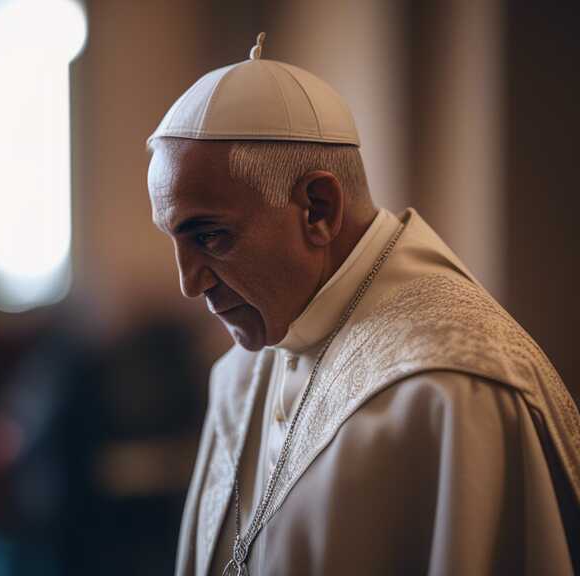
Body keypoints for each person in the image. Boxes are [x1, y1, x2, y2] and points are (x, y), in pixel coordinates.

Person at [146, 33, 580, 576]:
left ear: (318, 210)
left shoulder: (451, 392)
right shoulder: (242, 368)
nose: (189, 283)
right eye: (175, 240)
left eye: (209, 236)